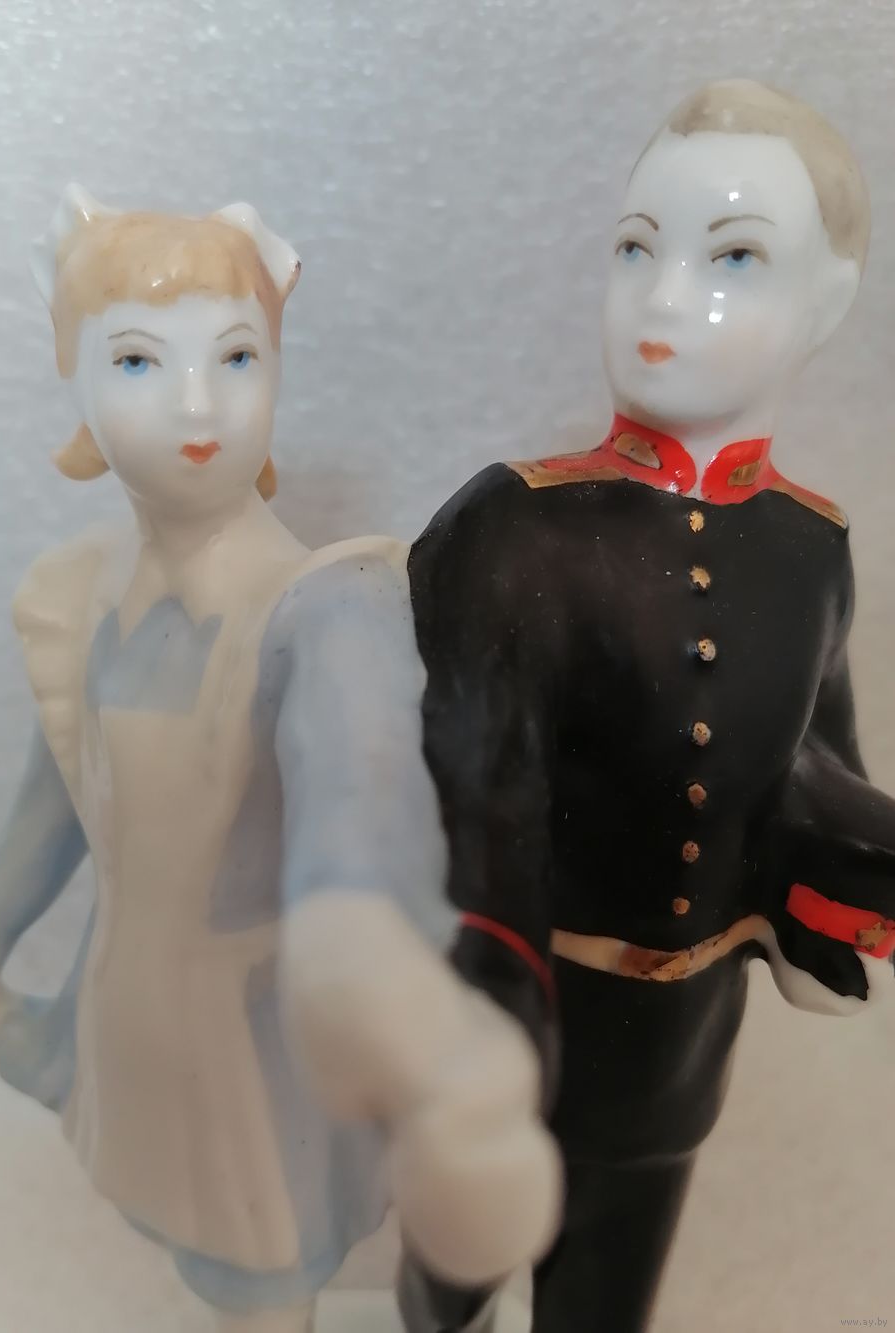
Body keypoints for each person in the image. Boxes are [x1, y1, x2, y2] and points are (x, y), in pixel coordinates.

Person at [0, 188, 559, 1332]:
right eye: (139, 362)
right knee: (215, 1274)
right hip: (135, 1018)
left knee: (262, 1281)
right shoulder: (84, 598)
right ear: (75, 383)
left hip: (263, 1039)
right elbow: (61, 797)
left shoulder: (329, 606)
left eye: (236, 357)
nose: (198, 403)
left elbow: (358, 793)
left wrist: (365, 956)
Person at [399, 79, 895, 1333]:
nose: (663, 298)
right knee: (447, 1293)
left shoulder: (811, 548)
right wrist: (487, 1019)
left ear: (827, 300)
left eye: (732, 259)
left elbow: (813, 768)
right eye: (635, 248)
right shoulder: (515, 529)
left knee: (607, 1301)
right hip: (513, 1016)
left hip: (678, 1041)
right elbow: (481, 798)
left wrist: (844, 886)